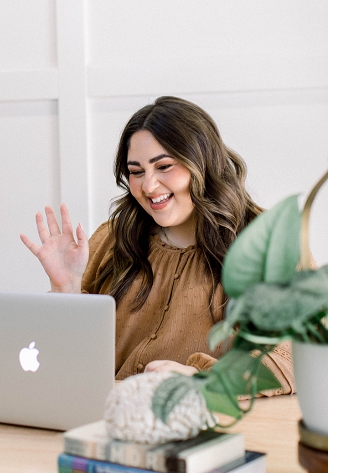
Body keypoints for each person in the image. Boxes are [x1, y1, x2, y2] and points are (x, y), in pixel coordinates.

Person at [20, 96, 294, 392]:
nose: (148, 186)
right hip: (108, 419)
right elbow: (69, 362)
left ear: (202, 162)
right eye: (136, 172)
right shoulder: (113, 238)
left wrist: (200, 379)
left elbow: (290, 359)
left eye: (164, 166)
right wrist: (66, 289)